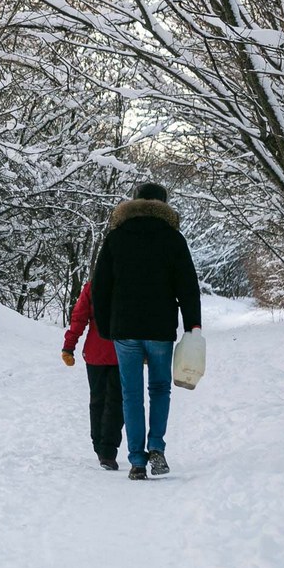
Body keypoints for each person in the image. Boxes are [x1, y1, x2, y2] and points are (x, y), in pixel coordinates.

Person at [90, 182, 201, 481]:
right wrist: (193, 325)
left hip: (124, 328)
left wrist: (105, 326)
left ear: (134, 202)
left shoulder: (116, 237)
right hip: (159, 327)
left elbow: (100, 287)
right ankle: (157, 448)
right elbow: (188, 287)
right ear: (164, 204)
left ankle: (137, 461)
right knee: (160, 388)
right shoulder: (173, 239)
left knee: (131, 394)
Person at [61, 282, 123, 470]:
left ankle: (100, 447)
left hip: (97, 353)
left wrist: (69, 346)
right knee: (116, 402)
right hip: (124, 354)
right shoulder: (128, 282)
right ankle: (107, 451)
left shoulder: (93, 286)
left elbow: (79, 317)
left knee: (98, 400)